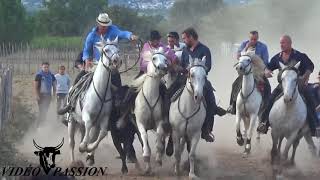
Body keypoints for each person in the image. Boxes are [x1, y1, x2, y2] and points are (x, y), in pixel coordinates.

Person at [59, 12, 138, 113]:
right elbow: (86, 50)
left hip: (111, 66)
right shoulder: (91, 36)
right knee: (80, 79)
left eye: (106, 25)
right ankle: (71, 103)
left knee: (117, 82)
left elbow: (122, 33)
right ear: (98, 24)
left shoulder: (113, 30)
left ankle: (119, 107)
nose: (105, 27)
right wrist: (87, 61)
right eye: (103, 25)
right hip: (95, 65)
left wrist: (130, 36)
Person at [257, 35, 318, 136]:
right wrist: (266, 72)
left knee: (310, 100)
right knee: (270, 100)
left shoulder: (300, 56)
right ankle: (264, 123)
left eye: (283, 43)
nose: (281, 45)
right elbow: (268, 67)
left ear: (290, 43)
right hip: (282, 86)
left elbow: (310, 66)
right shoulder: (277, 57)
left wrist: (305, 76)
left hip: (298, 85)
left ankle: (315, 127)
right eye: (280, 43)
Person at [180, 27, 227, 142]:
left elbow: (208, 66)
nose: (184, 41)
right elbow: (182, 65)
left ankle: (206, 130)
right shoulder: (185, 50)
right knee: (169, 94)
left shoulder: (204, 50)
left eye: (185, 38)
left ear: (191, 37)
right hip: (185, 78)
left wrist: (197, 70)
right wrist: (184, 70)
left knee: (210, 101)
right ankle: (169, 128)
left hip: (200, 80)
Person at [227, 31, 270, 114]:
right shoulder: (244, 44)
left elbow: (265, 61)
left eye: (255, 39)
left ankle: (266, 108)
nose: (253, 41)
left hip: (258, 72)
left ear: (257, 38)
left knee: (267, 87)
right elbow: (238, 57)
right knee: (235, 84)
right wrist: (246, 48)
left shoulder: (263, 47)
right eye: (252, 39)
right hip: (246, 72)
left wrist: (263, 69)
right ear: (249, 38)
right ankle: (232, 105)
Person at [34, 62, 56, 127]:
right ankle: (37, 126)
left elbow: (54, 86)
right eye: (44, 67)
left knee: (45, 111)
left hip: (48, 95)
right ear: (42, 67)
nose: (46, 68)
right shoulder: (39, 75)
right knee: (42, 111)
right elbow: (35, 87)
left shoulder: (51, 75)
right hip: (40, 95)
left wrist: (54, 95)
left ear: (49, 67)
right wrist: (37, 95)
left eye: (47, 67)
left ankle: (42, 124)